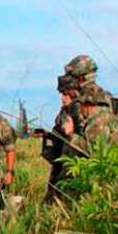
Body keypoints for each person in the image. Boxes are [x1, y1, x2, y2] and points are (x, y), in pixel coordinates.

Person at [42, 74, 81, 203]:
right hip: (60, 157)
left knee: (67, 194)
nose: (63, 98)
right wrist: (46, 135)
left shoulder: (78, 111)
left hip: (73, 160)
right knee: (53, 192)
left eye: (66, 95)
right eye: (62, 95)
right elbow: (58, 132)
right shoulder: (64, 112)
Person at [62, 84, 118, 158]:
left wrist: (70, 134)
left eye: (81, 105)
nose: (80, 109)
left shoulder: (98, 122)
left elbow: (93, 151)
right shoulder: (109, 117)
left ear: (88, 105)